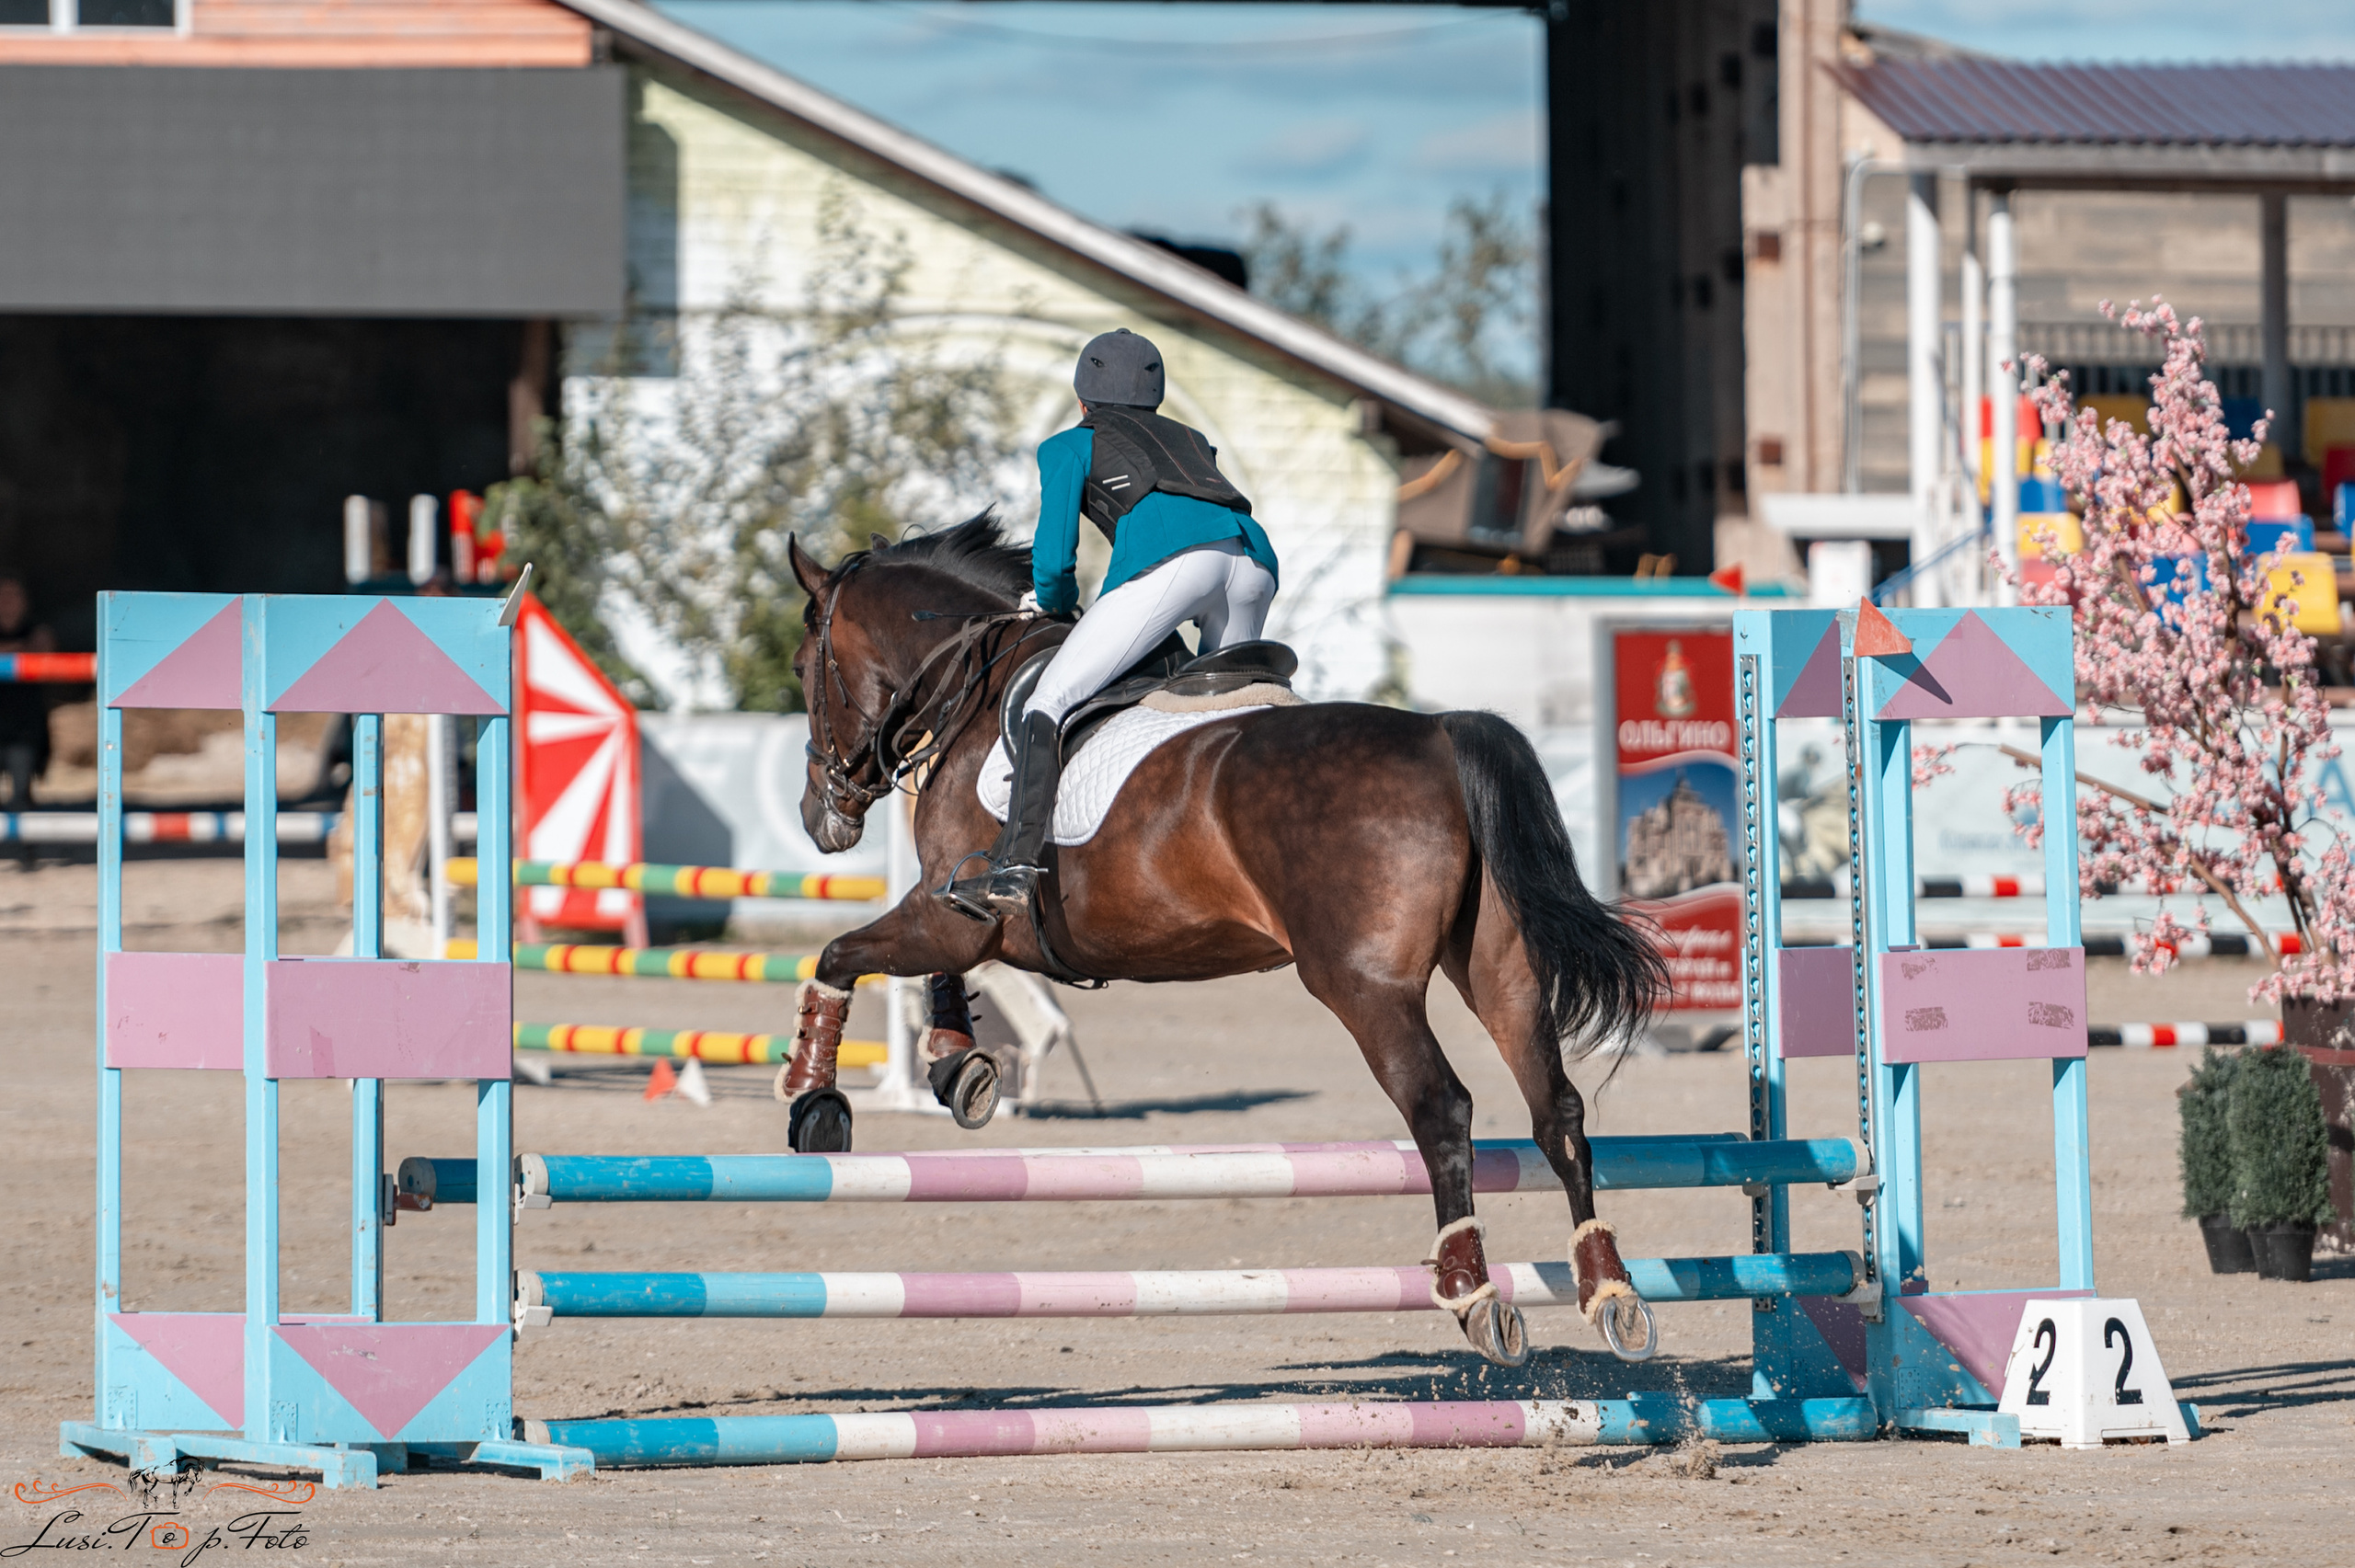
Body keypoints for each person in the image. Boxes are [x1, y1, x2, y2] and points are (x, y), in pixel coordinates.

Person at [942, 328, 1280, 921]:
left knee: (1049, 699)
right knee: (1230, 719)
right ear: (1156, 396)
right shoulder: (1192, 439)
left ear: (1082, 399)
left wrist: (1052, 601)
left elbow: (1053, 558)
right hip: (1253, 560)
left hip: (1180, 564)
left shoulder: (1070, 444)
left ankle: (1013, 866)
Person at [0, 576, 56, 846]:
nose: (9, 602)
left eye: (15, 595)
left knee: (22, 793)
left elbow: (43, 649)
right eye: (4, 595)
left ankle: (26, 849)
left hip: (23, 729)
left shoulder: (36, 629)